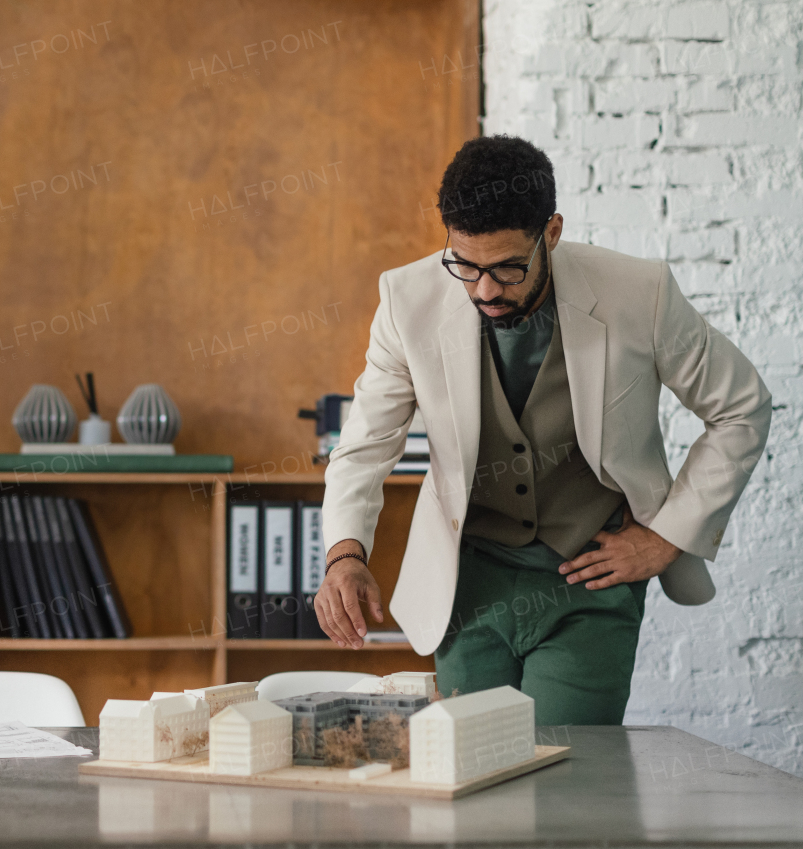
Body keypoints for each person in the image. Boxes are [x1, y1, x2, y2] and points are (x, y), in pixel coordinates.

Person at [315, 135, 772, 724]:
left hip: (590, 581)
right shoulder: (407, 300)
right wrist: (344, 554)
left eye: (507, 267)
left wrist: (666, 537)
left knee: (570, 783)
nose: (484, 289)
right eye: (465, 265)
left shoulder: (640, 293)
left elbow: (742, 406)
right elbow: (365, 444)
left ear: (550, 233)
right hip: (468, 585)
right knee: (472, 784)